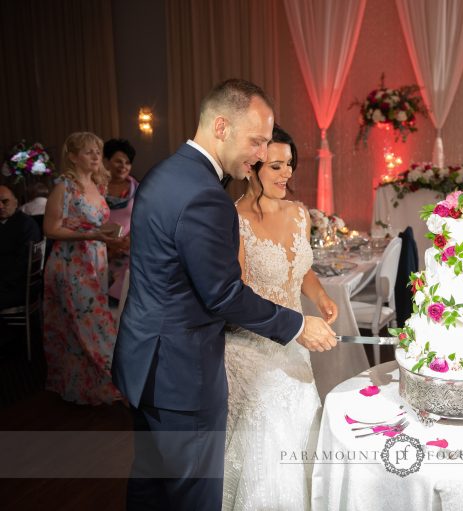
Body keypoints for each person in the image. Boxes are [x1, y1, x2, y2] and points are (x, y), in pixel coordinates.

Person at [111, 79, 337, 511]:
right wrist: (295, 325)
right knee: (193, 496)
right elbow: (223, 294)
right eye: (255, 141)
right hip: (182, 374)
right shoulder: (206, 197)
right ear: (220, 127)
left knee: (150, 486)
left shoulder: (163, 173)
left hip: (144, 361)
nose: (258, 155)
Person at [222, 125, 338, 510]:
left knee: (301, 433)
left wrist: (321, 297)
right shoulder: (233, 220)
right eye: (275, 166)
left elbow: (301, 269)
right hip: (251, 348)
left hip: (295, 349)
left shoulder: (299, 213)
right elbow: (235, 298)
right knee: (270, 437)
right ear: (252, 167)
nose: (286, 173)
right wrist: (296, 328)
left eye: (289, 164)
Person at [42, 132, 122, 405]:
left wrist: (106, 235)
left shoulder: (98, 185)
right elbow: (50, 229)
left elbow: (93, 224)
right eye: (89, 152)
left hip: (95, 260)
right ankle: (119, 379)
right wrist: (92, 236)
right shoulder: (65, 186)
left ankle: (85, 384)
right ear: (73, 156)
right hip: (71, 263)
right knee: (93, 322)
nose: (96, 156)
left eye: (97, 151)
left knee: (84, 323)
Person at [103, 138, 138, 304]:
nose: (123, 166)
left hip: (127, 247)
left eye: (127, 162)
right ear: (107, 161)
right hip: (99, 245)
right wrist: (109, 245)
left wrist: (125, 242)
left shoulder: (137, 189)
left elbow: (143, 220)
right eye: (118, 161)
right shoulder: (95, 188)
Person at [0, 185, 42, 310]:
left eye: (5, 201)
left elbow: (22, 266)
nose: (0, 206)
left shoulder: (26, 225)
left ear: (16, 201)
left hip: (17, 288)